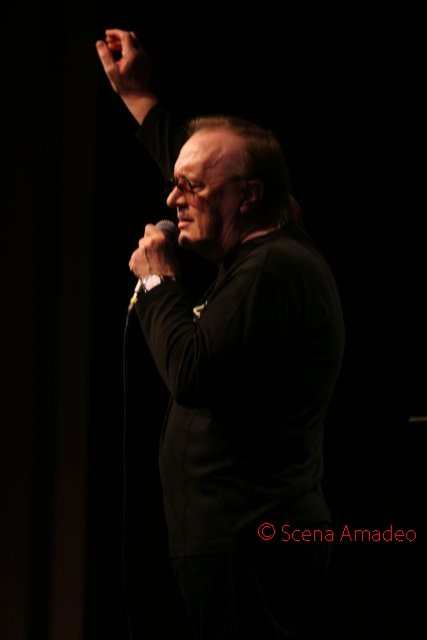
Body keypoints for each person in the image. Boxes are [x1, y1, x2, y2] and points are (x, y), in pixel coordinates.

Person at [96, 29, 345, 639]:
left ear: (250, 198)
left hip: (251, 548)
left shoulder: (270, 270)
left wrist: (156, 282)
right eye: (177, 182)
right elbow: (206, 168)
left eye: (191, 187)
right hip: (234, 545)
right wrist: (137, 96)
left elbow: (191, 373)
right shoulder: (268, 244)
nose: (172, 197)